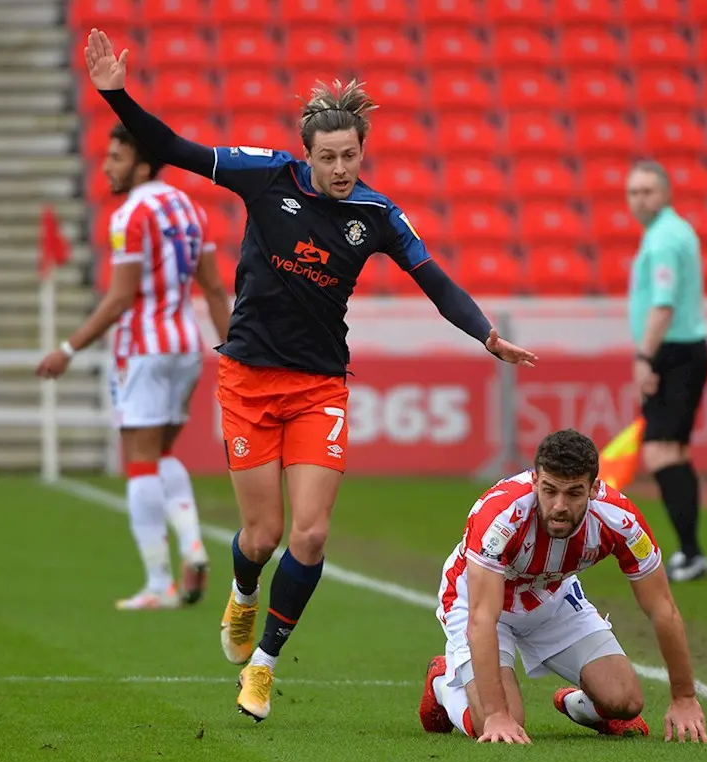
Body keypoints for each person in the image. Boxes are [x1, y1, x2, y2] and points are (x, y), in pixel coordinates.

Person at [82, 29, 537, 723]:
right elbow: (172, 147)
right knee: (261, 536)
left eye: (351, 155)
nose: (340, 168)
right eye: (328, 157)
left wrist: (486, 334)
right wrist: (116, 95)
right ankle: (243, 592)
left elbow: (434, 280)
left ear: (362, 151)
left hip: (319, 387)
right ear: (307, 154)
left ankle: (262, 665)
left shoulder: (376, 215)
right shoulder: (265, 175)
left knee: (312, 534)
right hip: (247, 380)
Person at [37, 122, 232, 611]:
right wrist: (233, 351)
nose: (107, 167)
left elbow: (121, 298)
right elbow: (213, 290)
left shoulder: (129, 215)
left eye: (117, 158)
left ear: (142, 167)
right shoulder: (192, 209)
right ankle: (191, 543)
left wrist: (68, 348)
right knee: (162, 453)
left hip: (143, 348)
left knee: (140, 461)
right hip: (185, 345)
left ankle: (158, 582)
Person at [418, 429, 707, 745]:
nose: (559, 505)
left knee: (625, 701)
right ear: (535, 481)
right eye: (549, 490)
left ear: (594, 489)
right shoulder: (501, 516)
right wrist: (496, 715)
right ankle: (443, 684)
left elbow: (662, 608)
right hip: (478, 601)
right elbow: (482, 618)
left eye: (573, 493)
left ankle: (573, 704)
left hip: (552, 597)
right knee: (499, 721)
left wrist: (684, 698)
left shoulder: (620, 520)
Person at [624, 160, 707, 583]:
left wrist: (645, 357)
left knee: (661, 450)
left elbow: (663, 304)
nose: (640, 200)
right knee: (673, 450)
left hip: (673, 351)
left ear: (666, 193)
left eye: (648, 191)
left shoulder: (662, 239)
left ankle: (691, 552)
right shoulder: (675, 231)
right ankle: (691, 552)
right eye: (633, 192)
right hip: (684, 349)